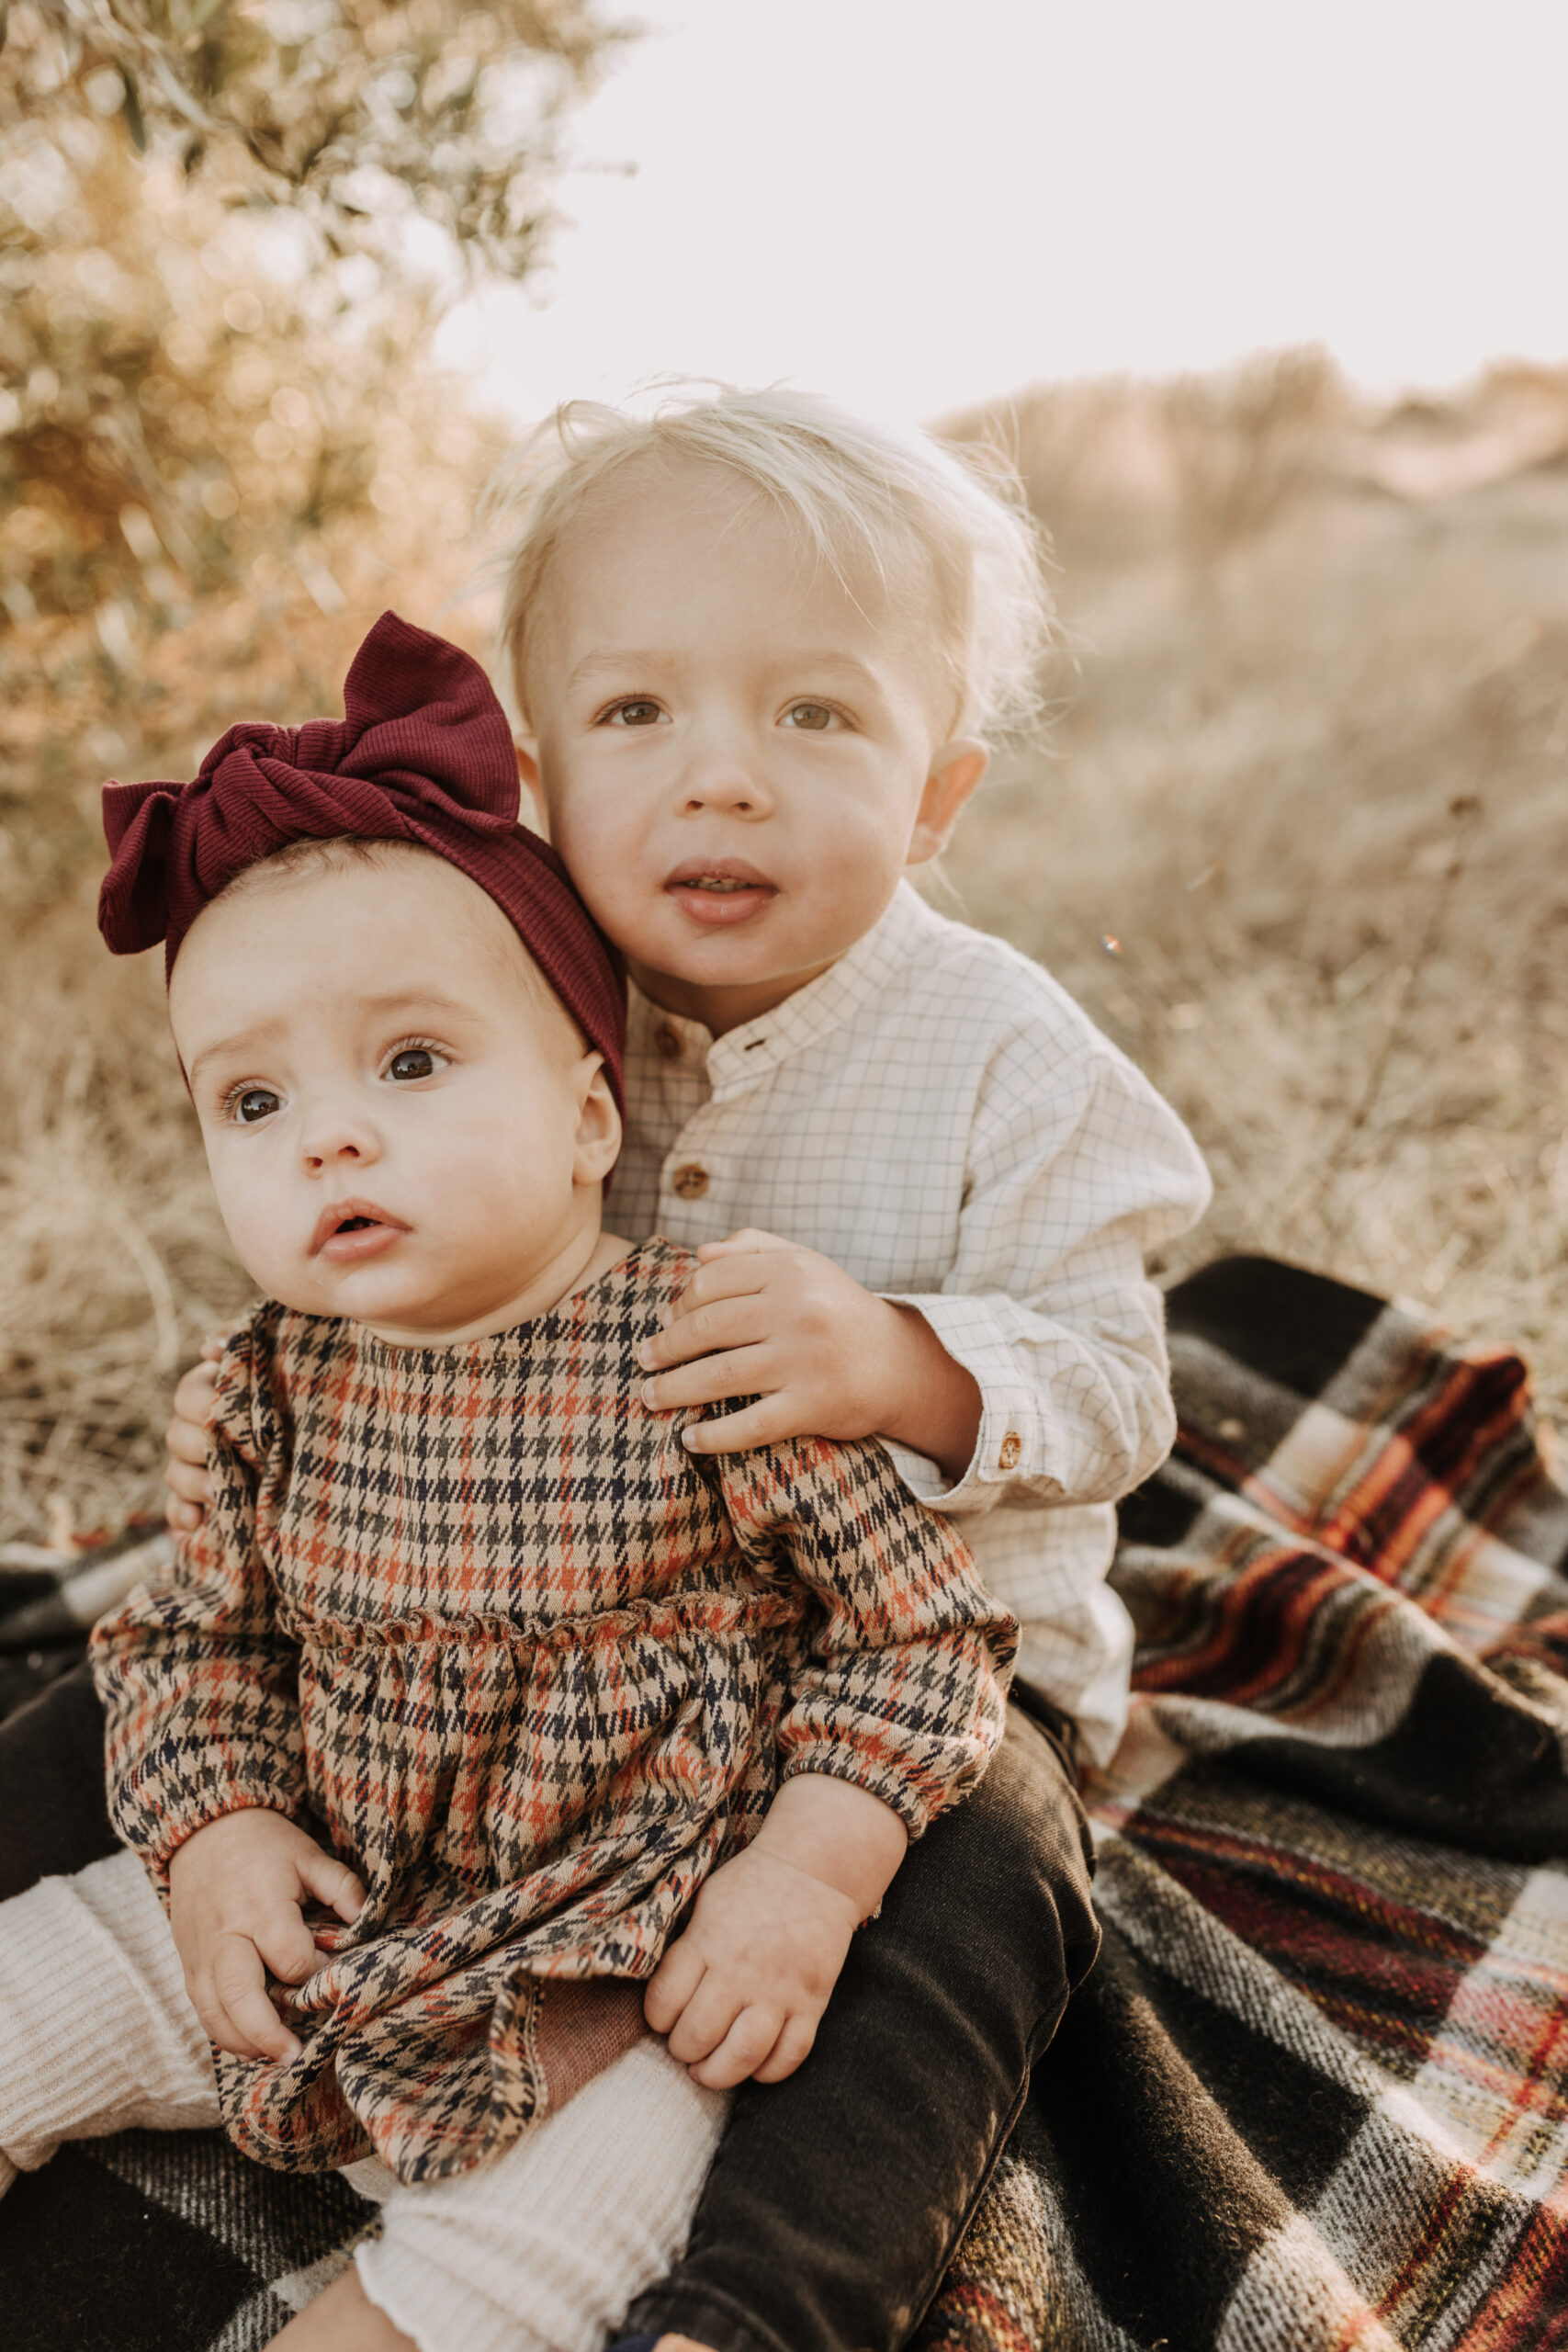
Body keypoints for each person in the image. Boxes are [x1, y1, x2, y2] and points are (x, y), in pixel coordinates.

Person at [6, 388, 1212, 2352]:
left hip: (913, 1677)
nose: (717, 781)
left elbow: (1117, 1385)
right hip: (521, 1627)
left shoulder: (1004, 1048)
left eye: (813, 716)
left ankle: (753, 2303)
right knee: (109, 1709)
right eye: (640, 716)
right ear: (544, 771)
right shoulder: (495, 974)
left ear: (935, 793)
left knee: (961, 1923)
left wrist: (902, 1363)